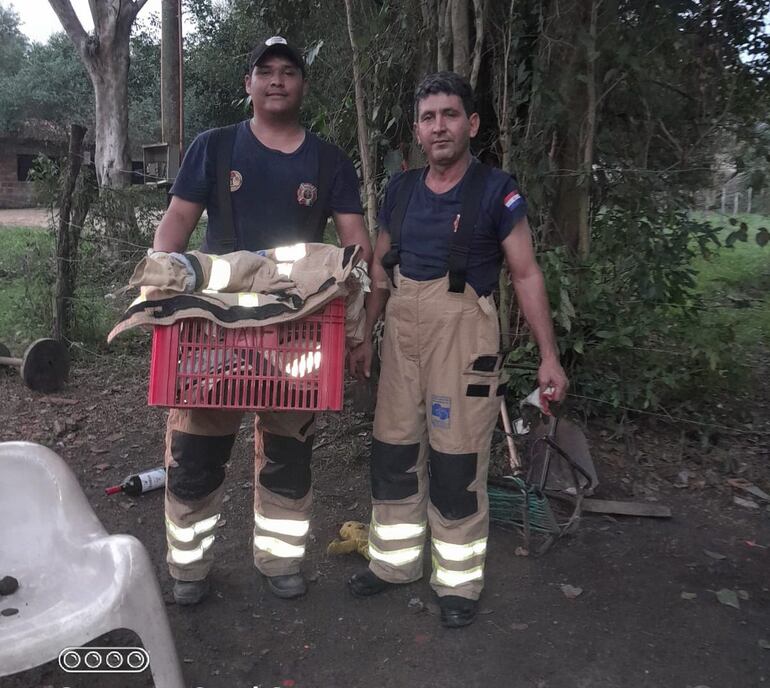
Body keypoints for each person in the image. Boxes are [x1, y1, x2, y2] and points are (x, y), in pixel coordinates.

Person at [152, 36, 372, 605]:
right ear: (248, 83)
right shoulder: (215, 147)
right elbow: (176, 224)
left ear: (302, 84)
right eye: (265, 71)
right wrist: (162, 294)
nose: (277, 80)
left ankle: (279, 559)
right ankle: (189, 566)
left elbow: (356, 248)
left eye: (288, 72)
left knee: (288, 453)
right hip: (214, 333)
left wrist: (359, 324)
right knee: (196, 451)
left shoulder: (328, 162)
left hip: (298, 333)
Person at [347, 71, 568, 628]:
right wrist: (365, 337)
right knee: (393, 449)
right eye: (428, 118)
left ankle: (458, 581)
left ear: (470, 124)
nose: (438, 126)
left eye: (449, 115)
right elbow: (378, 271)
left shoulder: (497, 190)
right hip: (401, 332)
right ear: (418, 132)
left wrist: (549, 355)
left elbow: (525, 272)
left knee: (457, 457)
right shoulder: (399, 191)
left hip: (464, 335)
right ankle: (394, 562)